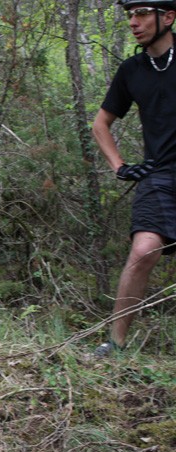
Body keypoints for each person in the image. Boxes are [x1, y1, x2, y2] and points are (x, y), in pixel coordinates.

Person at [91, 0, 176, 357]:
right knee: (143, 251)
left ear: (168, 16)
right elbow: (101, 124)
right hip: (160, 176)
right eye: (130, 15)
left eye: (141, 13)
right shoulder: (132, 69)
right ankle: (116, 342)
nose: (133, 22)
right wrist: (120, 167)